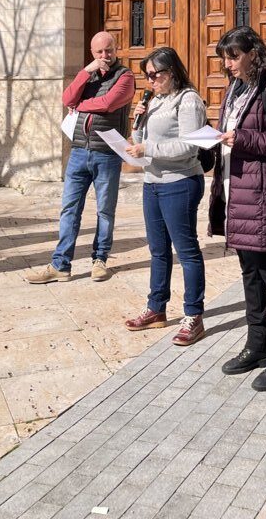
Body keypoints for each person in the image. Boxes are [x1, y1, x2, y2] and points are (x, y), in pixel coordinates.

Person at [208, 26, 266, 391]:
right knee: (249, 271)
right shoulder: (237, 88)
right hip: (237, 189)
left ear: (253, 52)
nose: (228, 64)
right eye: (224, 58)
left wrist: (242, 138)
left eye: (233, 56)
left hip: (262, 193)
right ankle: (257, 344)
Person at [27, 31, 135, 283]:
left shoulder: (125, 76)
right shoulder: (88, 75)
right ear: (92, 53)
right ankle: (60, 265)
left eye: (109, 50)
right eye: (99, 52)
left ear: (116, 50)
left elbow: (108, 103)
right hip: (78, 151)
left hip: (106, 153)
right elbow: (66, 98)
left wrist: (81, 104)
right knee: (69, 209)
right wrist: (85, 72)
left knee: (105, 210)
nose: (104, 56)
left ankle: (100, 260)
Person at [123, 47, 207, 347]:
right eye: (146, 76)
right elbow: (140, 143)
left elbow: (189, 146)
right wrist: (138, 124)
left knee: (186, 251)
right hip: (152, 182)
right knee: (158, 250)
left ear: (171, 72)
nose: (150, 82)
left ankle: (193, 315)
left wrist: (149, 150)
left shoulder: (188, 100)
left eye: (154, 75)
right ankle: (156, 308)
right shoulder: (154, 101)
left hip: (180, 182)